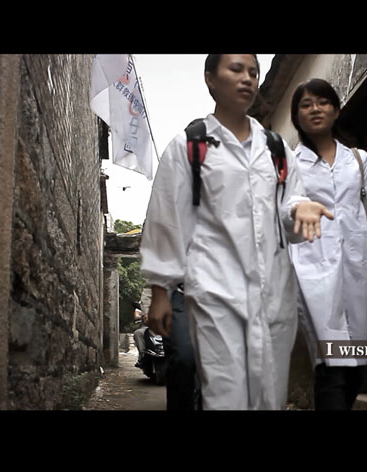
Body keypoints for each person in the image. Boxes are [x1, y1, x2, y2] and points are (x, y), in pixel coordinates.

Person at [139, 54, 334, 410]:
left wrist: (299, 209)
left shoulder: (276, 150)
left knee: (270, 397)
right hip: (215, 292)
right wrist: (160, 290)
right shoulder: (189, 146)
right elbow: (166, 219)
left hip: (274, 294)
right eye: (236, 69)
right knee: (225, 397)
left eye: (253, 72)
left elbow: (289, 209)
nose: (247, 78)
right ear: (210, 78)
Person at [288, 78, 367, 410]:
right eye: (306, 104)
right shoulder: (290, 164)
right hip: (313, 269)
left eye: (323, 102)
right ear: (296, 117)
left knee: (356, 365)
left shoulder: (358, 160)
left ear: (336, 110)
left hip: (358, 266)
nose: (315, 109)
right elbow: (282, 210)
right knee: (331, 364)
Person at [131, 301, 149, 368]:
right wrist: (144, 316)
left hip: (163, 327)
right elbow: (136, 316)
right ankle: (142, 355)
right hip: (147, 327)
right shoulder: (143, 303)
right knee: (138, 333)